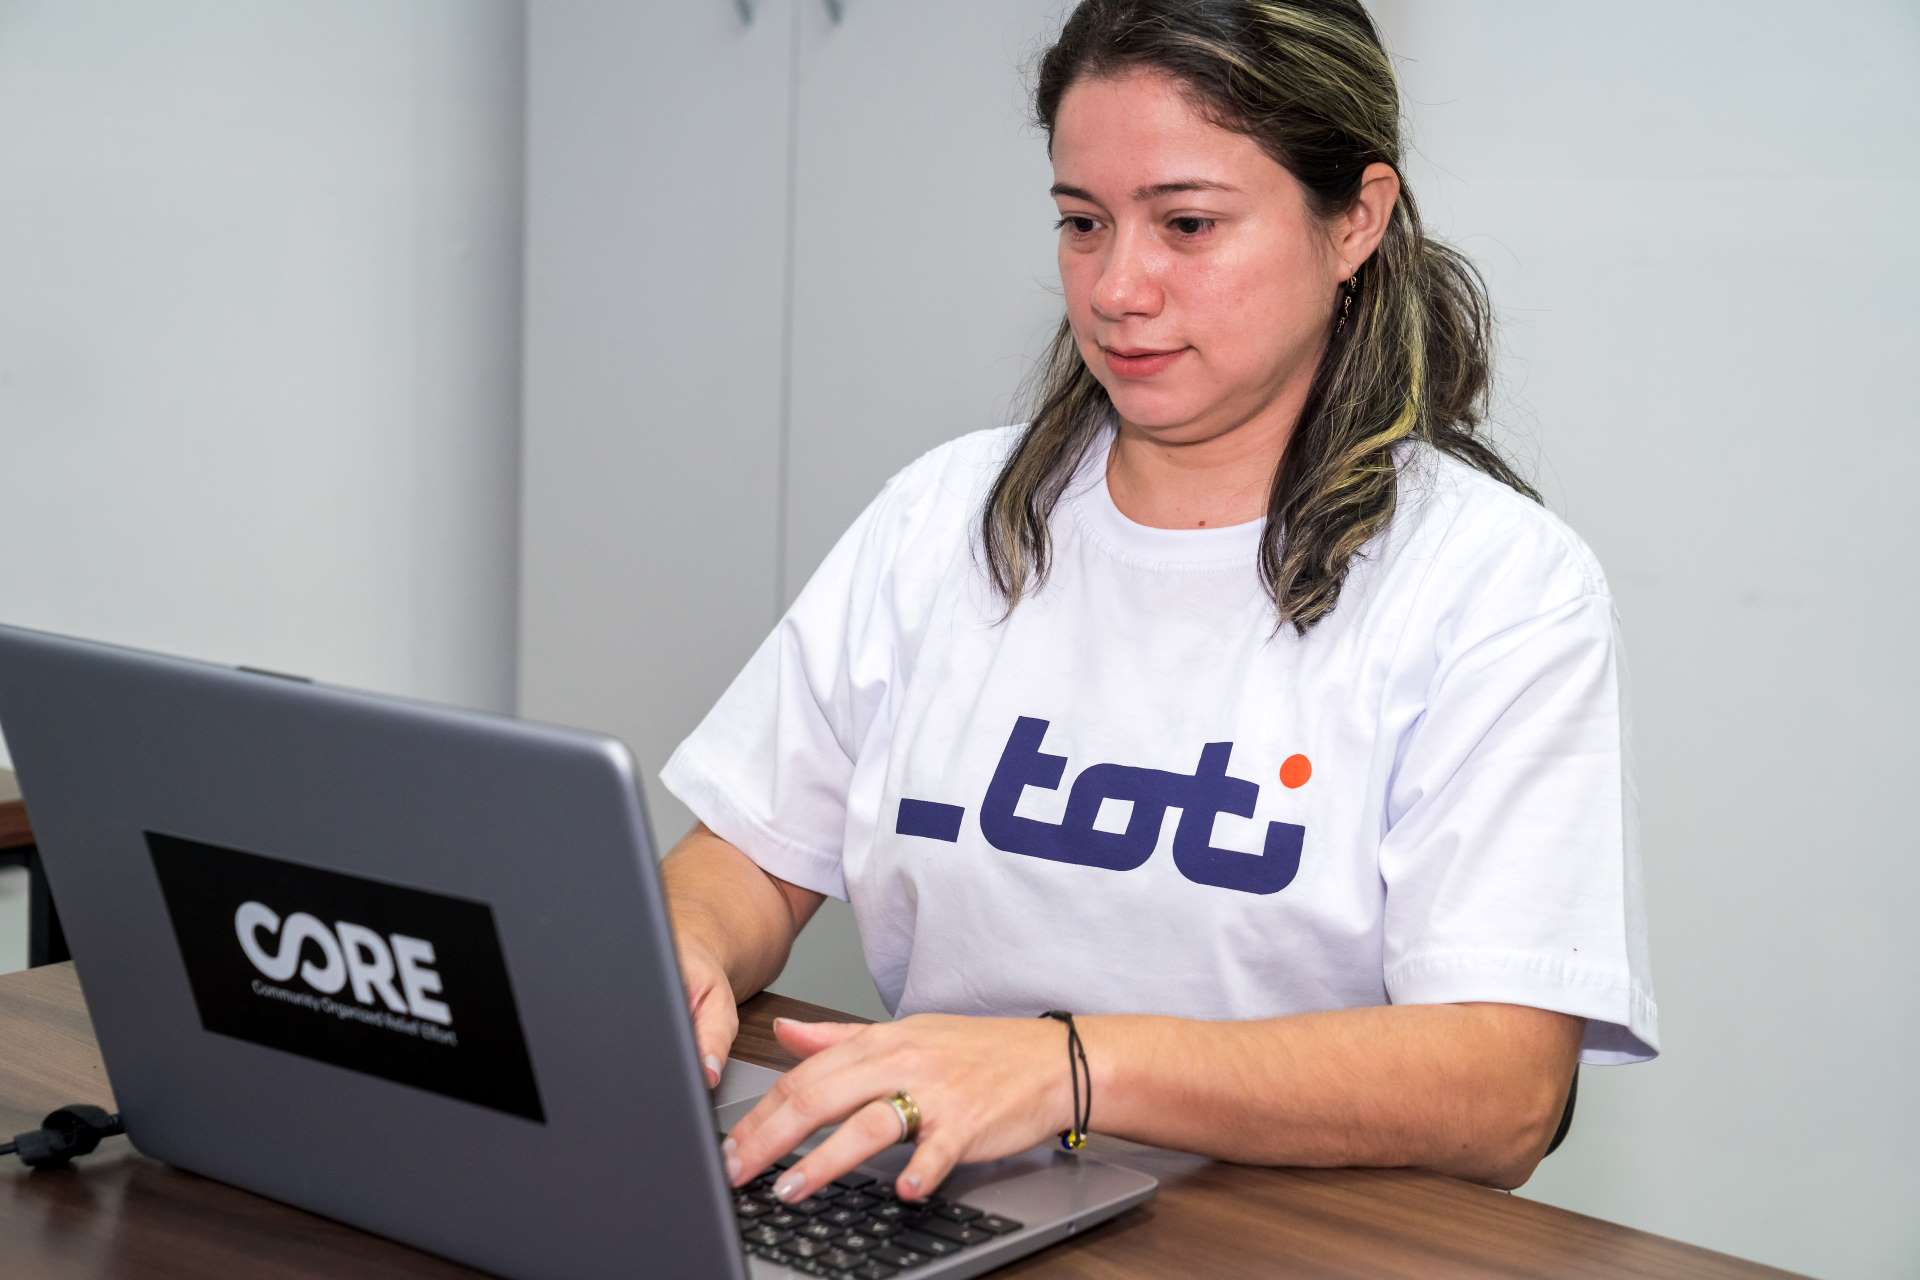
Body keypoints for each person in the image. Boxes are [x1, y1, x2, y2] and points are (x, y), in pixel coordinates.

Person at [658, 0, 1658, 1211]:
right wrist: (690, 944)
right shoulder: (945, 517)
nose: (1117, 287)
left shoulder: (1498, 585)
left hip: (1293, 1233)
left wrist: (1071, 1065)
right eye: (1083, 223)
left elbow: (1501, 1090)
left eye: (1187, 223)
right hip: (943, 1195)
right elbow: (746, 859)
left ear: (1357, 220)